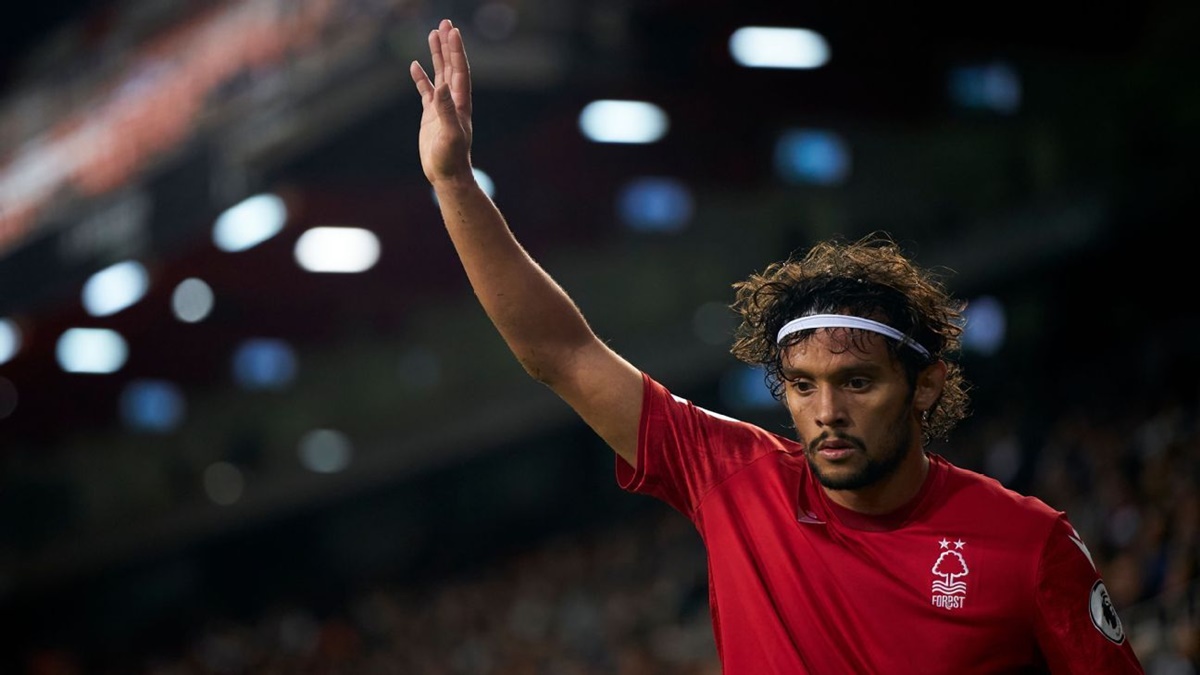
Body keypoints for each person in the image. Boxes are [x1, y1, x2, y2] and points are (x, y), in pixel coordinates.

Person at [409, 18, 1146, 674]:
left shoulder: (1027, 543)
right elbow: (559, 350)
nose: (826, 410)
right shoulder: (734, 479)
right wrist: (454, 183)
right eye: (801, 384)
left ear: (924, 384)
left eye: (857, 381)